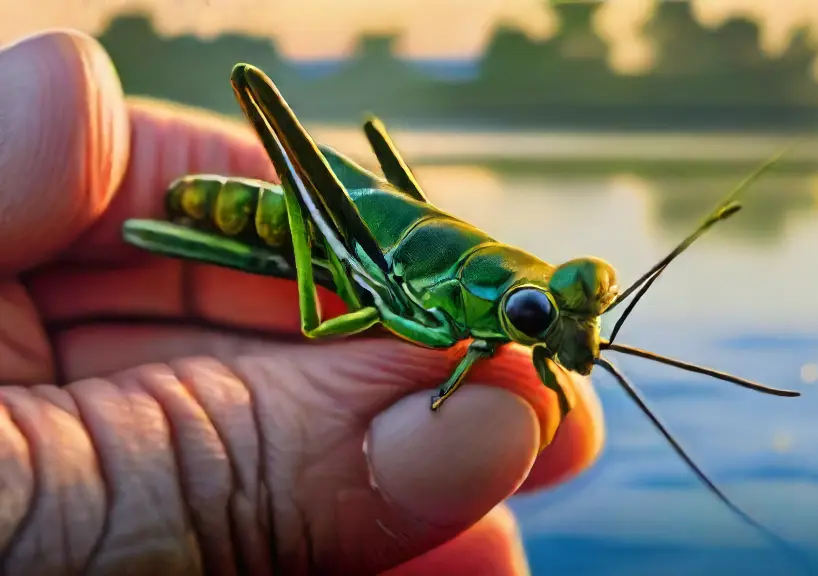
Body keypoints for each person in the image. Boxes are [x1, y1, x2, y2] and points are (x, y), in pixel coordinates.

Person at [0, 30, 604, 575]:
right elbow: (440, 339)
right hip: (294, 227)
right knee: (323, 316)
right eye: (534, 317)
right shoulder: (477, 306)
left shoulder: (514, 307)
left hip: (362, 238)